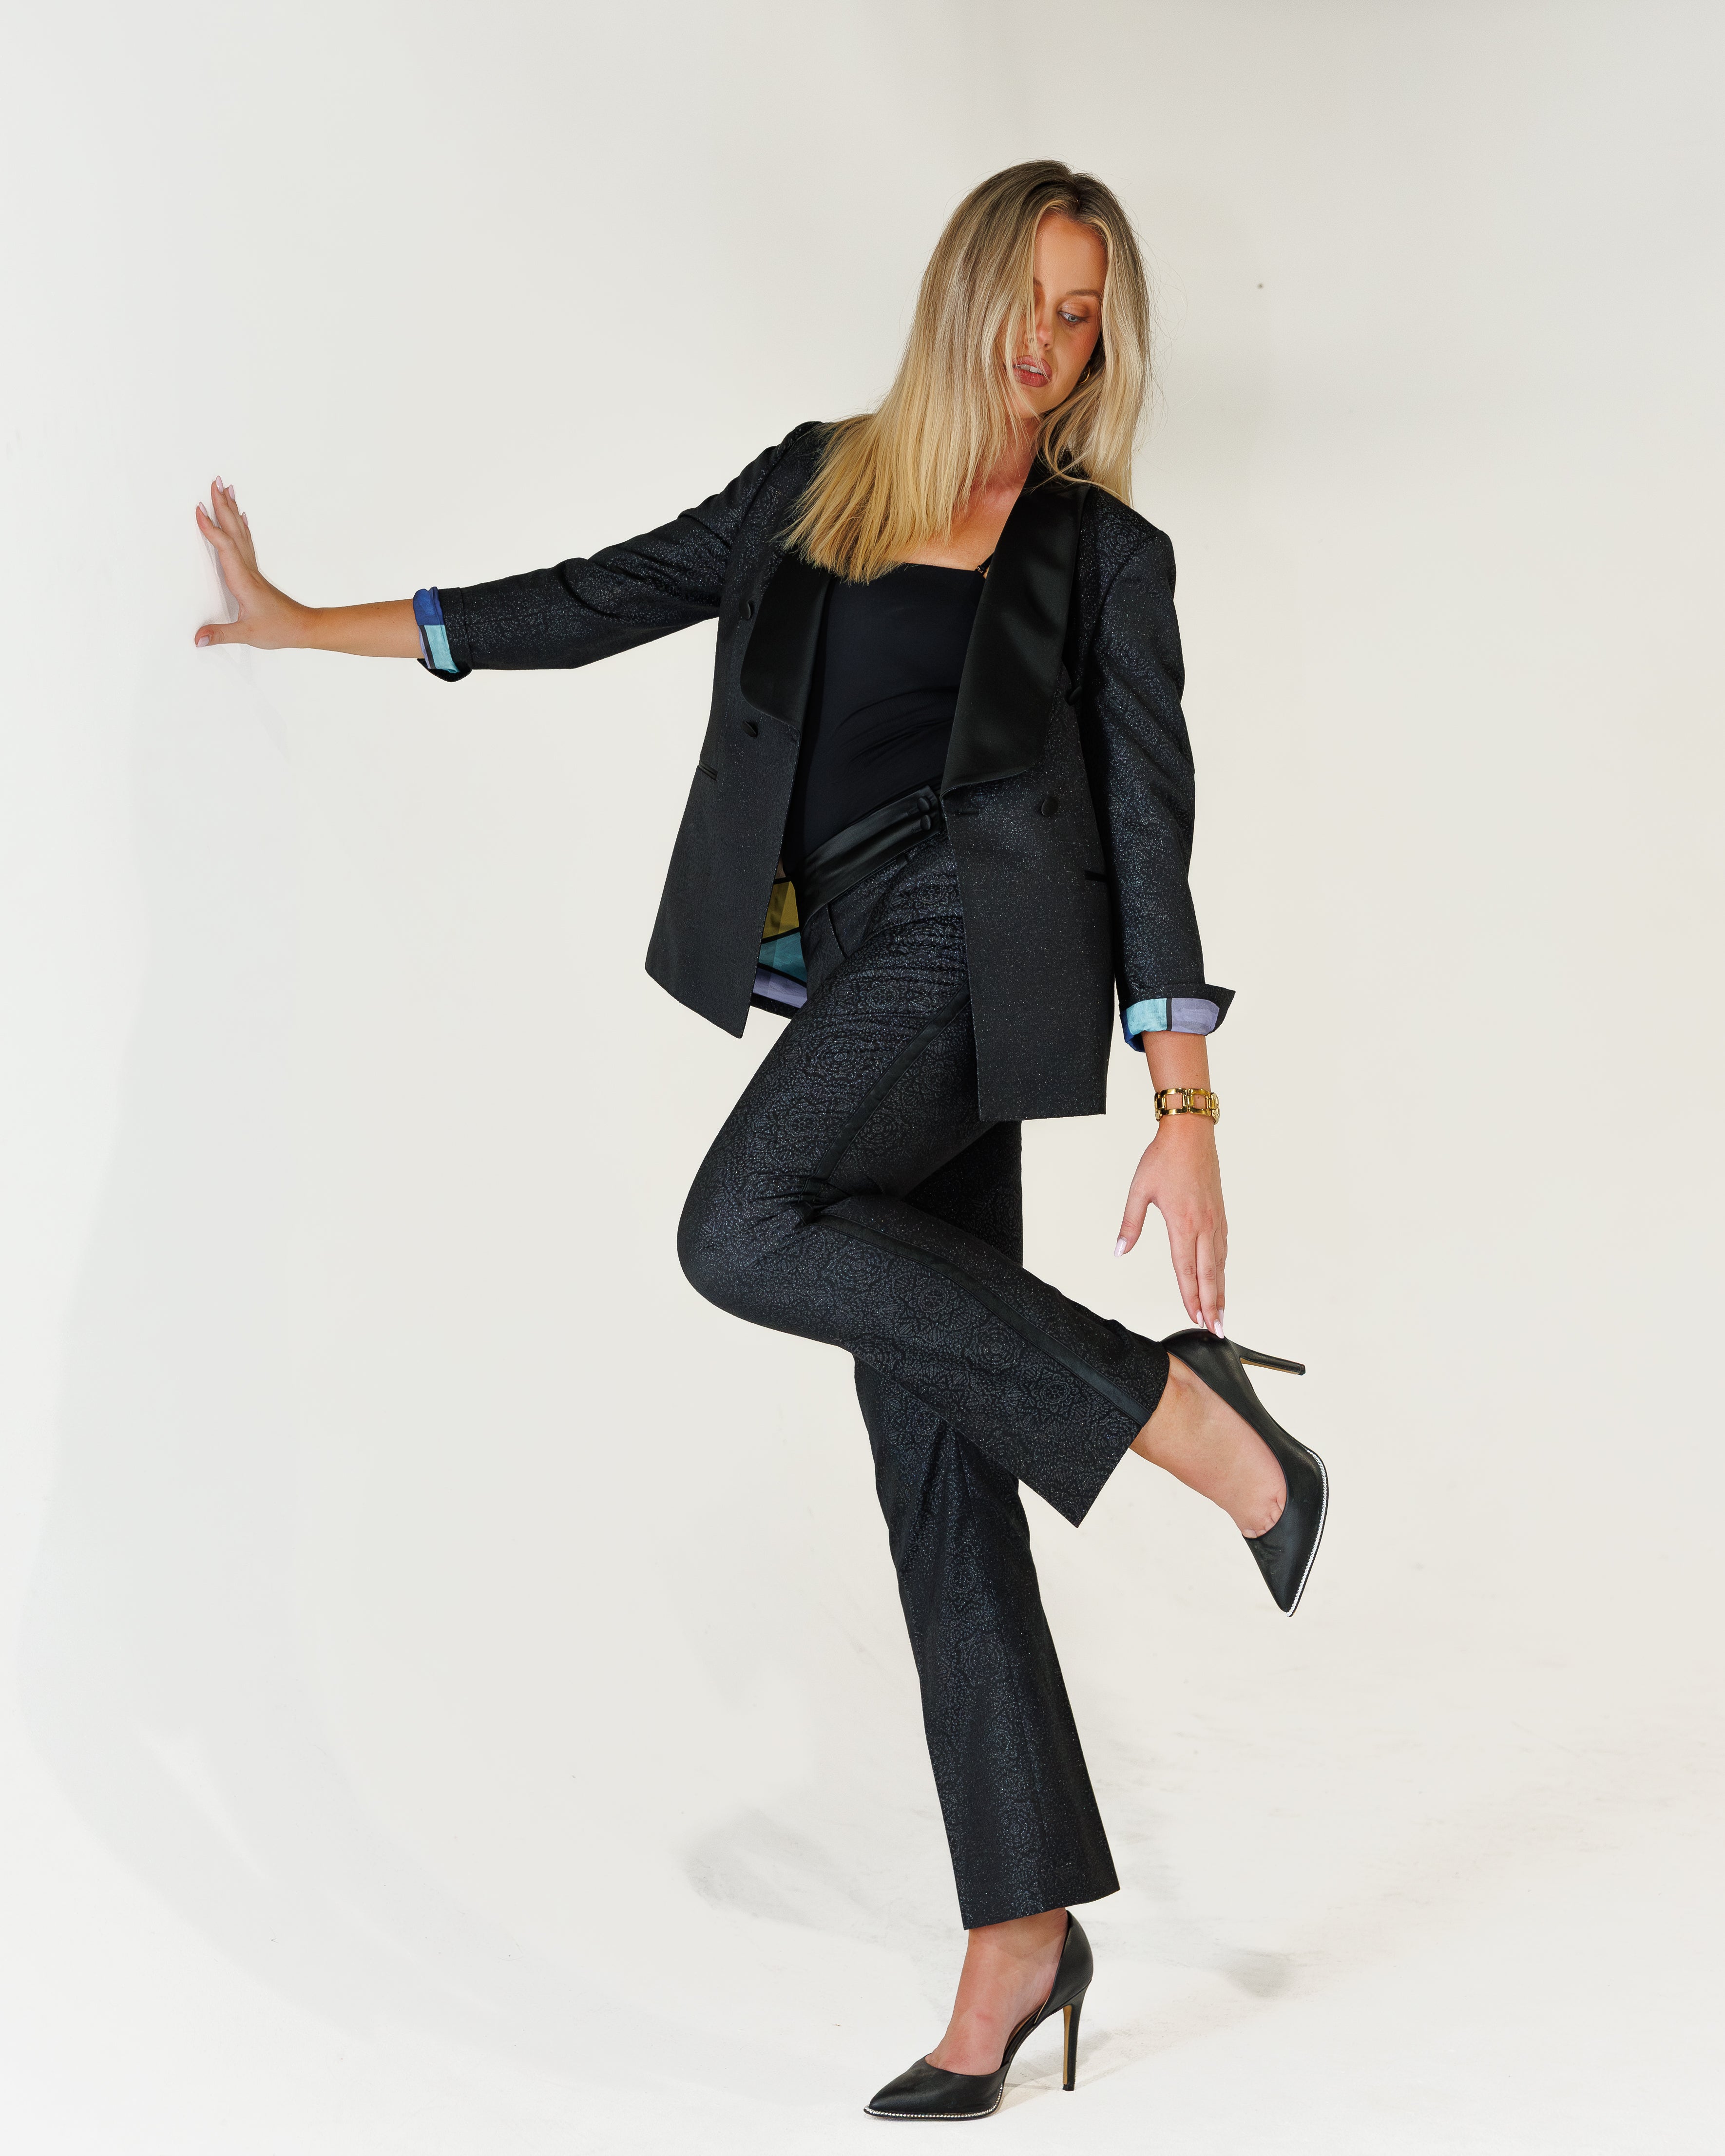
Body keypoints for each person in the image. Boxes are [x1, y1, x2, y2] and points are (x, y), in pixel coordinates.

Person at [194, 159, 1326, 2125]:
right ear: (965, 289)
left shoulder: (1103, 560)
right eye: (1032, 304)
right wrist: (311, 624)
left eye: (1087, 321)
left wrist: (1190, 1107)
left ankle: (1183, 1411)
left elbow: (1149, 822)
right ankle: (1022, 1938)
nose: (1054, 353)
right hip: (869, 980)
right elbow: (595, 600)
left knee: (740, 1222)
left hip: (996, 943)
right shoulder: (819, 484)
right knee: (935, 1470)